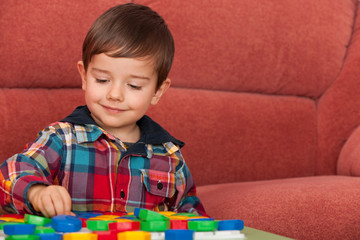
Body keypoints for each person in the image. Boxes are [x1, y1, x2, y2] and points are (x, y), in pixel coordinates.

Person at [0, 3, 206, 218]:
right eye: (102, 79)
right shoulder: (63, 138)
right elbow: (10, 173)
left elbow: (189, 210)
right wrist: (37, 192)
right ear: (84, 76)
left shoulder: (169, 155)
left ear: (157, 91)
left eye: (134, 85)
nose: (115, 94)